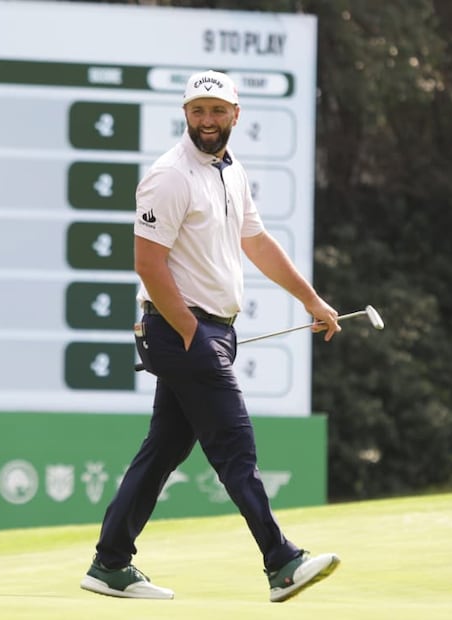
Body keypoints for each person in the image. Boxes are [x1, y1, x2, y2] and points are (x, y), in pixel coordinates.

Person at [79, 70, 341, 603]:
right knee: (235, 449)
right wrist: (191, 332)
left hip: (210, 331)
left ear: (235, 115)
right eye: (197, 110)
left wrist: (311, 299)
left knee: (164, 450)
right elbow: (149, 265)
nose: (207, 120)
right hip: (182, 329)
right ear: (185, 114)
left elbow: (257, 241)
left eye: (217, 110)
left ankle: (109, 563)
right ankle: (282, 562)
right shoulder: (169, 176)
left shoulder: (230, 170)